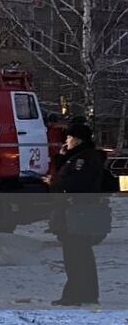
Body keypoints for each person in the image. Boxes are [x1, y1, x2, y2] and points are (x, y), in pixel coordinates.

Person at [47, 120, 103, 306]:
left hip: (78, 213)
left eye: (70, 137)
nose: (67, 141)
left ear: (78, 140)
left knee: (76, 255)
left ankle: (76, 294)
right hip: (76, 213)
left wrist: (54, 183)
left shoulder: (84, 159)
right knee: (80, 254)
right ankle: (85, 293)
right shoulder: (77, 157)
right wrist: (63, 159)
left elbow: (75, 183)